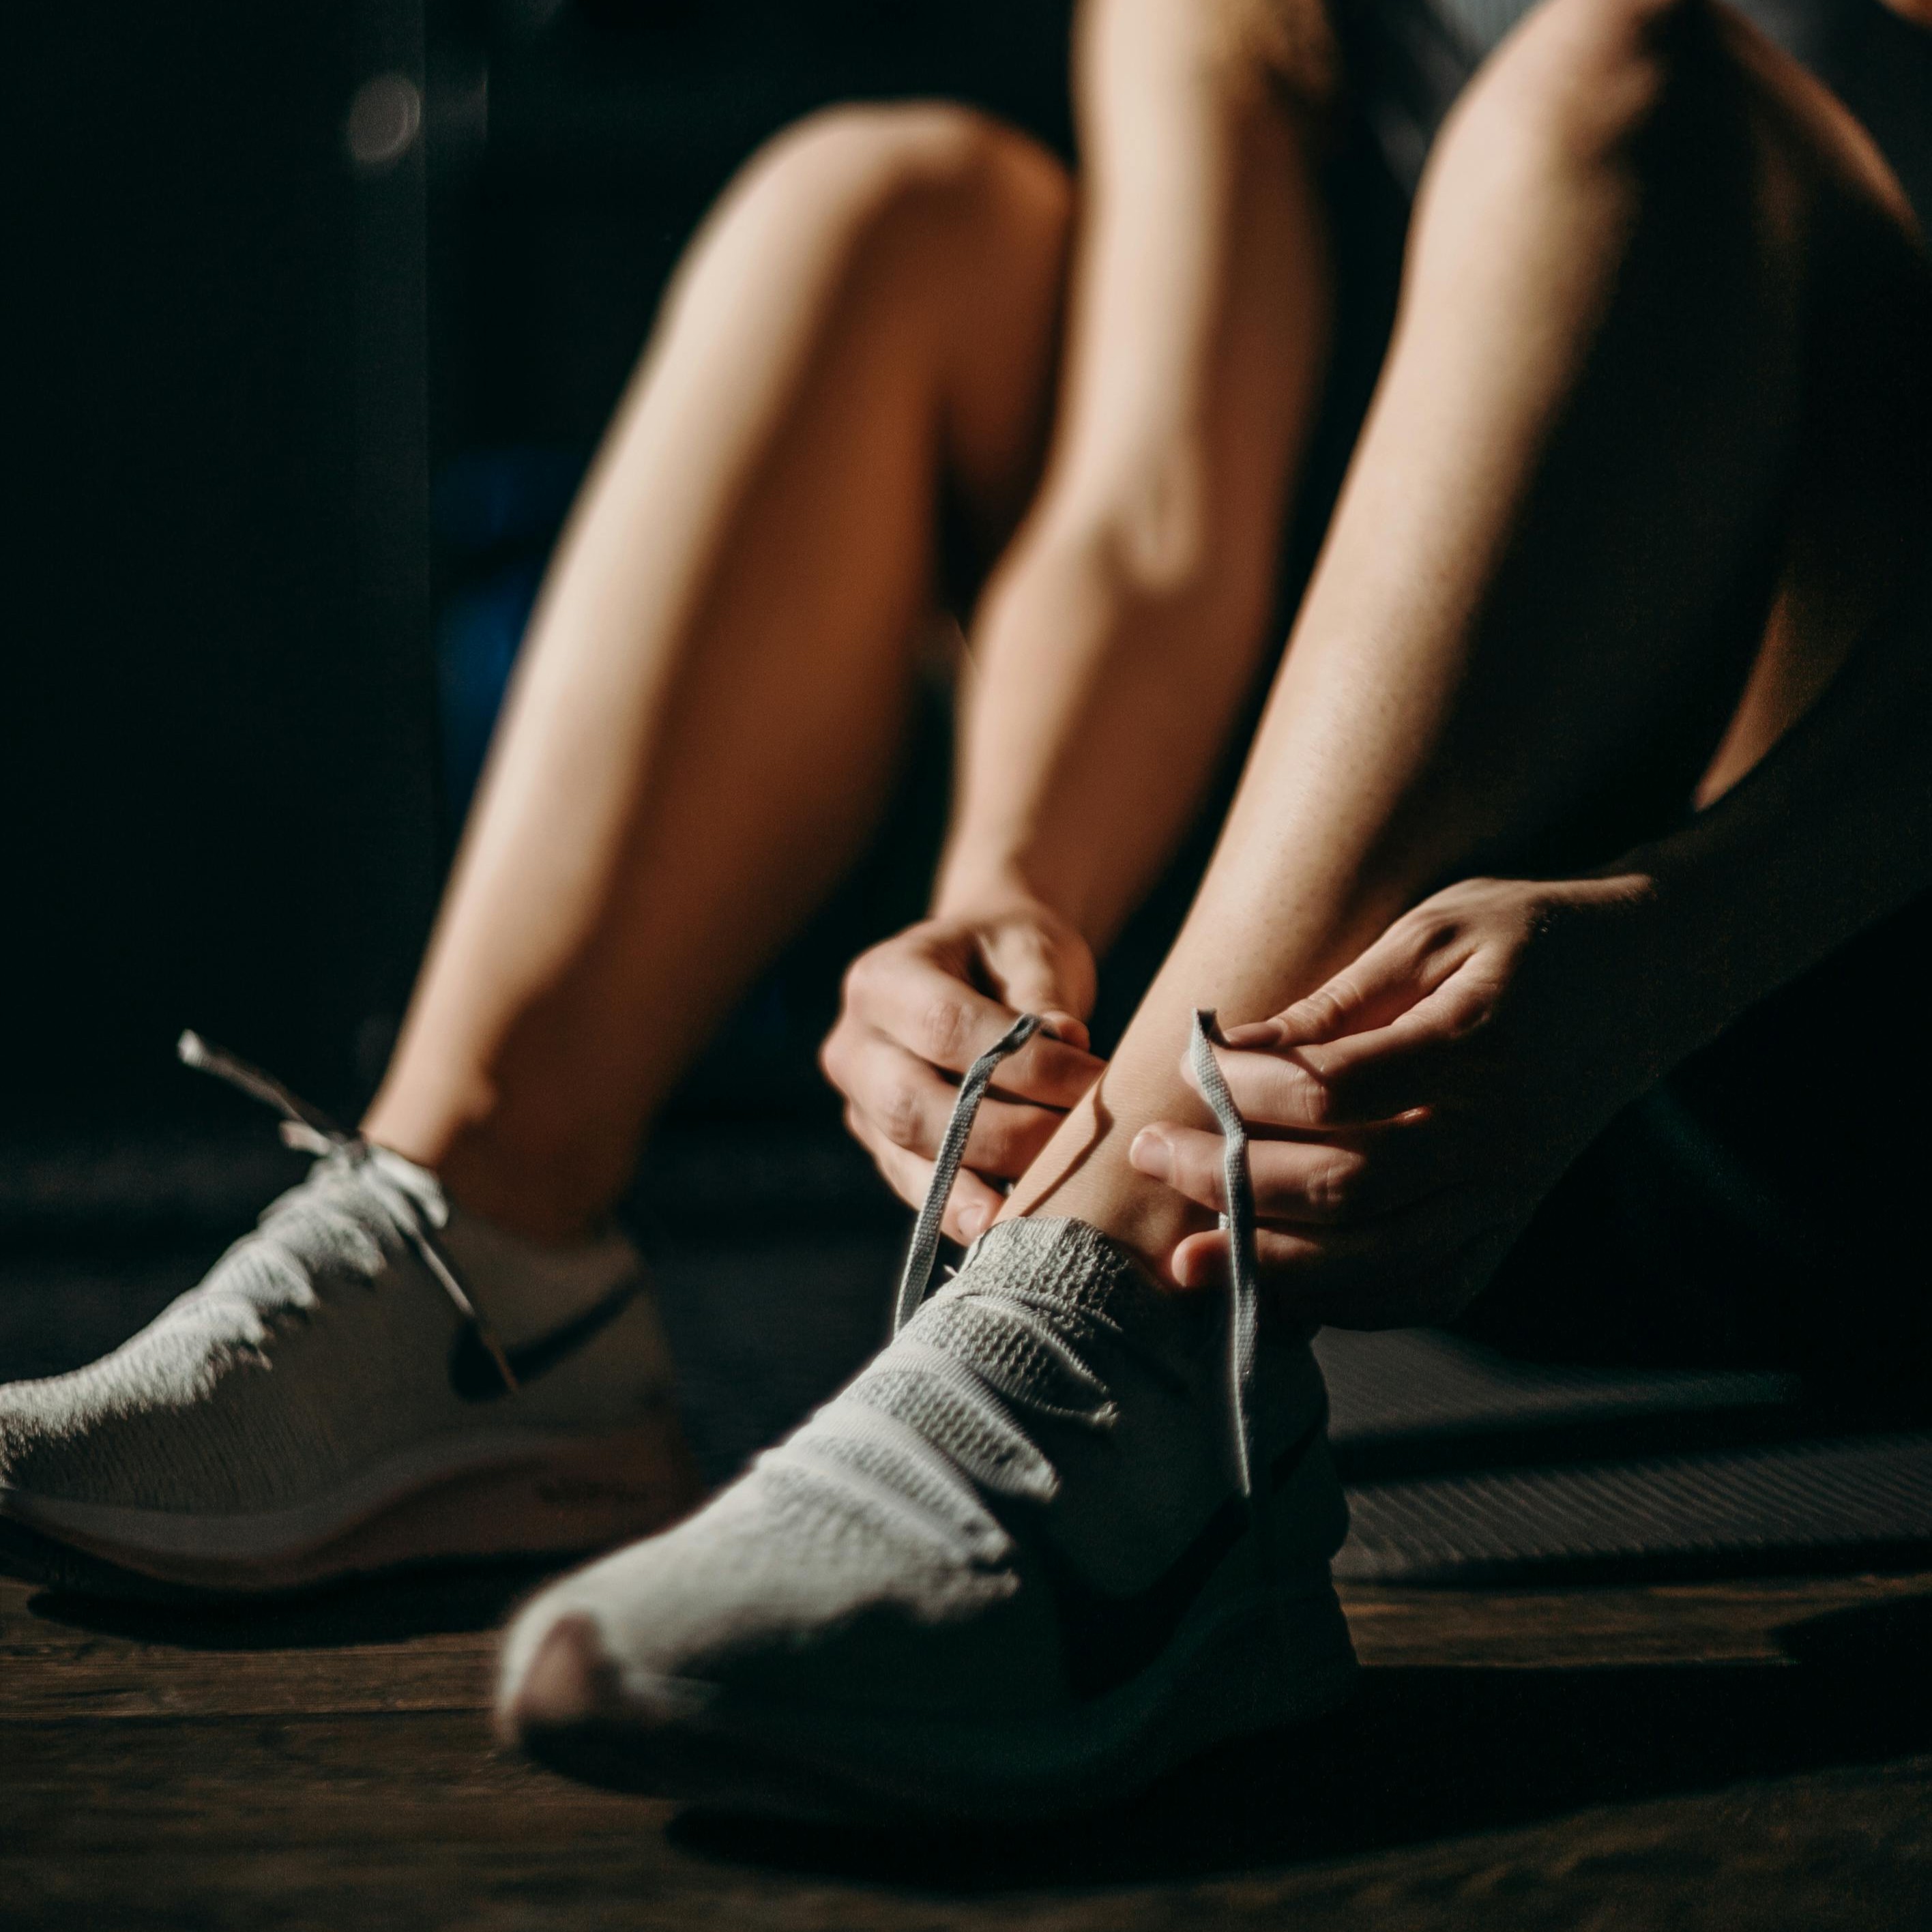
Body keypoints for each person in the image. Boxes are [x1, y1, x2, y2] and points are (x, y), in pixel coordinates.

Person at [3, 0, 1927, 1817]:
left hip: (1791, 1006)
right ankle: (482, 1274)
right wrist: (1008, 889)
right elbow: (1150, 516)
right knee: (894, 201)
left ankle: (1137, 1362)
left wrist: (1681, 941)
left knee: (1641, 84)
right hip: (1366, 1110)